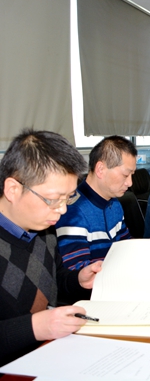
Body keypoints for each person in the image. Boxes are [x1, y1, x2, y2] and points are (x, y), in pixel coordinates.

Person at [0, 129, 103, 366]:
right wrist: (35, 327)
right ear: (13, 189)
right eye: (53, 199)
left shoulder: (43, 230)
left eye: (69, 198)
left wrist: (78, 280)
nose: (63, 209)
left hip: (51, 355)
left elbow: (53, 284)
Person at [55, 136, 150, 270]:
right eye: (125, 175)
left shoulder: (114, 203)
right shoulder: (72, 211)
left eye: (132, 175)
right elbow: (78, 272)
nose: (130, 183)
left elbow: (124, 246)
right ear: (100, 169)